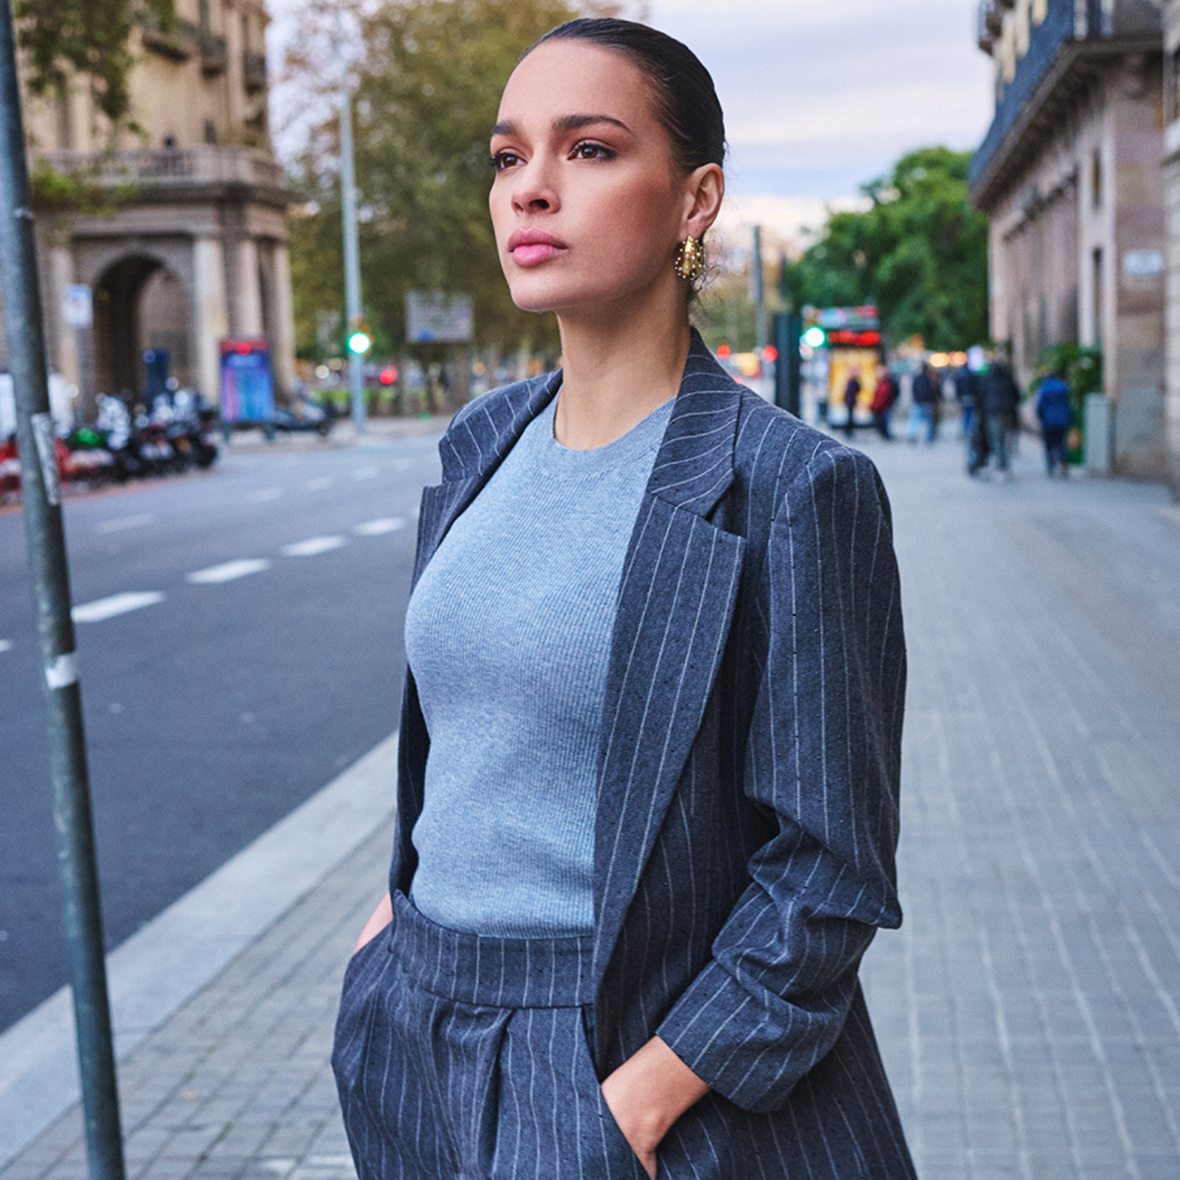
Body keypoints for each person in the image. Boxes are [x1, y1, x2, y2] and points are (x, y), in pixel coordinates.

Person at [331, 18, 914, 1180]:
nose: (531, 190)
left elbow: (828, 870)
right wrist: (392, 927)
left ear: (696, 199)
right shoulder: (479, 445)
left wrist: (641, 1098)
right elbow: (464, 736)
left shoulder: (792, 487)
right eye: (507, 158)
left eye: (588, 150)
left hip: (618, 1053)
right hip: (417, 1029)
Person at [980, 356, 1021, 478]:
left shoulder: (987, 380)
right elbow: (1017, 397)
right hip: (1007, 413)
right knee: (1004, 439)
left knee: (997, 439)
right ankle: (1005, 465)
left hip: (993, 413)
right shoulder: (1008, 380)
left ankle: (1001, 466)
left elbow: (982, 397)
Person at [1035, 368, 1072, 476]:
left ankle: (1050, 466)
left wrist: (1040, 417)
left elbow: (1040, 406)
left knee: (1049, 444)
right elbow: (1068, 404)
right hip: (1062, 419)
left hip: (1048, 420)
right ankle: (1064, 463)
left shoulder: (1044, 388)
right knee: (1061, 442)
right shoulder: (1063, 386)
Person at [908, 363, 940, 444]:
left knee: (915, 420)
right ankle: (929, 437)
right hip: (928, 403)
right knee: (929, 421)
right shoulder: (930, 379)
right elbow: (934, 391)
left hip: (918, 402)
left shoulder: (917, 378)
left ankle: (913, 435)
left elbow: (913, 390)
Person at [871, 363, 898, 439]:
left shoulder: (885, 383)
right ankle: (885, 435)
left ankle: (885, 436)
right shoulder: (882, 382)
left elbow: (883, 396)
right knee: (883, 422)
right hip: (883, 406)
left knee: (884, 422)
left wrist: (875, 406)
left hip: (883, 406)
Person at [841, 370, 861, 438]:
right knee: (850, 417)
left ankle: (848, 430)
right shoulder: (853, 382)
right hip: (851, 401)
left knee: (849, 417)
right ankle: (848, 430)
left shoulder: (851, 382)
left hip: (849, 401)